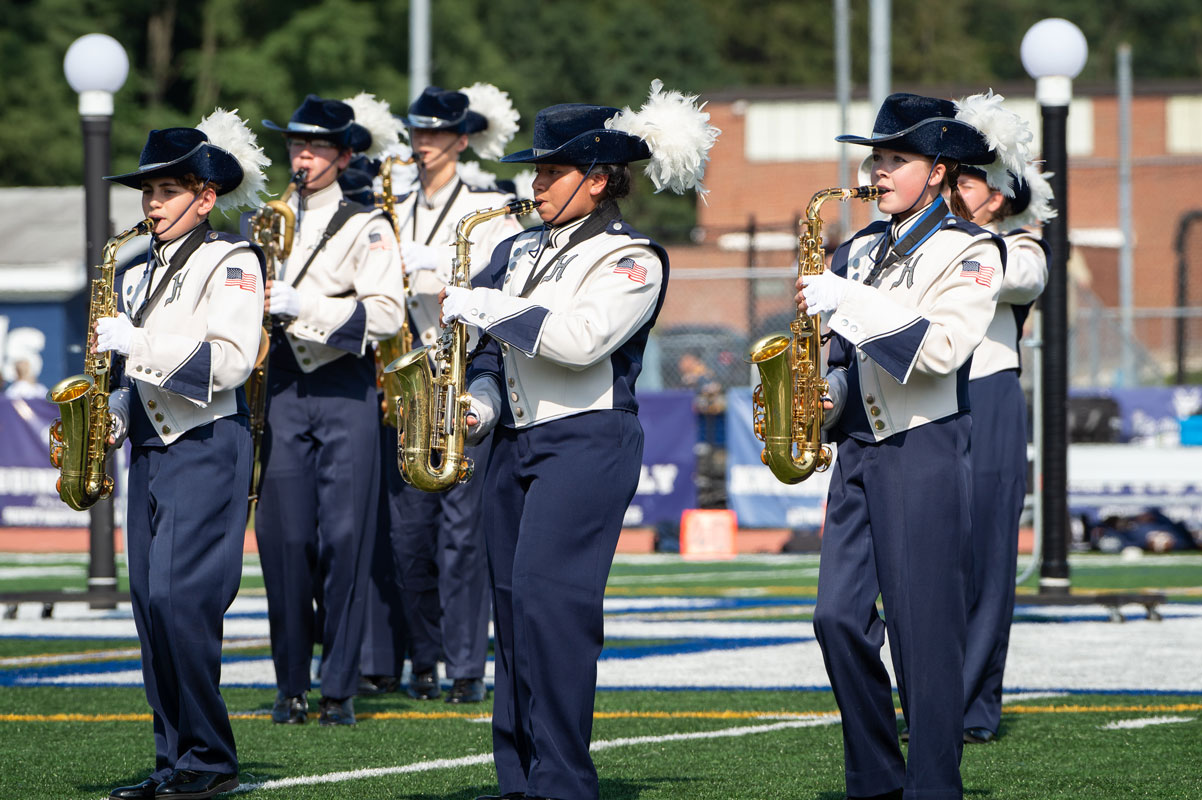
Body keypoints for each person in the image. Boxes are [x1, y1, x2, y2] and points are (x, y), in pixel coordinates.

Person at [443, 81, 718, 800]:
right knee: (511, 606)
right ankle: (520, 778)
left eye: (550, 172)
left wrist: (491, 305)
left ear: (596, 179)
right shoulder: (517, 249)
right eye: (535, 171)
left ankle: (564, 781)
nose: (535, 185)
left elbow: (578, 340)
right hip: (514, 441)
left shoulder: (633, 258)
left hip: (587, 439)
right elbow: (485, 352)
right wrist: (478, 402)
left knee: (549, 602)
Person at [796, 91, 1024, 800]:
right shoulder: (860, 247)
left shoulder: (971, 249)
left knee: (924, 638)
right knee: (835, 617)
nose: (879, 169)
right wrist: (816, 400)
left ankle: (932, 788)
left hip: (923, 446)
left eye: (898, 158)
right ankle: (874, 778)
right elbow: (839, 359)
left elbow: (940, 350)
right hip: (858, 448)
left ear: (939, 171)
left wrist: (848, 303)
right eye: (877, 157)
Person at [98, 110, 269, 800]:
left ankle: (209, 756)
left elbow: (226, 364)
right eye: (147, 192)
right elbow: (134, 375)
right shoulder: (138, 270)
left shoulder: (232, 261)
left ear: (205, 197)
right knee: (149, 606)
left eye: (166, 191)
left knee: (179, 601)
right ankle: (174, 759)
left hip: (206, 444)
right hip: (151, 447)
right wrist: (111, 413)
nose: (151, 205)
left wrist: (133, 344)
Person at [255, 95, 405, 727]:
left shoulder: (367, 226)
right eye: (296, 145)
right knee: (285, 541)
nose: (303, 156)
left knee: (345, 540)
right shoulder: (266, 222)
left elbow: (388, 315)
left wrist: (304, 305)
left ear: (345, 157)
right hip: (285, 387)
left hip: (345, 387)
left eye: (316, 147)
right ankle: (291, 683)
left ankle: (339, 685)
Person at [388, 84, 523, 704]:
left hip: (465, 368)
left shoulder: (488, 207)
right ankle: (424, 658)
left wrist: (432, 264)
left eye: (437, 134)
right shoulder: (393, 205)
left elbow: (495, 281)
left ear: (461, 139)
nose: (424, 144)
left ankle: (468, 667)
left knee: (463, 536)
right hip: (411, 369)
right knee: (409, 535)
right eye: (418, 132)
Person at [954, 104, 1053, 744]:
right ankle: (932, 693)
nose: (951, 190)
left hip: (987, 397)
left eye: (965, 182)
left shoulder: (1020, 248)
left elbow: (1008, 278)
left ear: (999, 197)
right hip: (922, 397)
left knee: (988, 558)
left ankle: (972, 706)